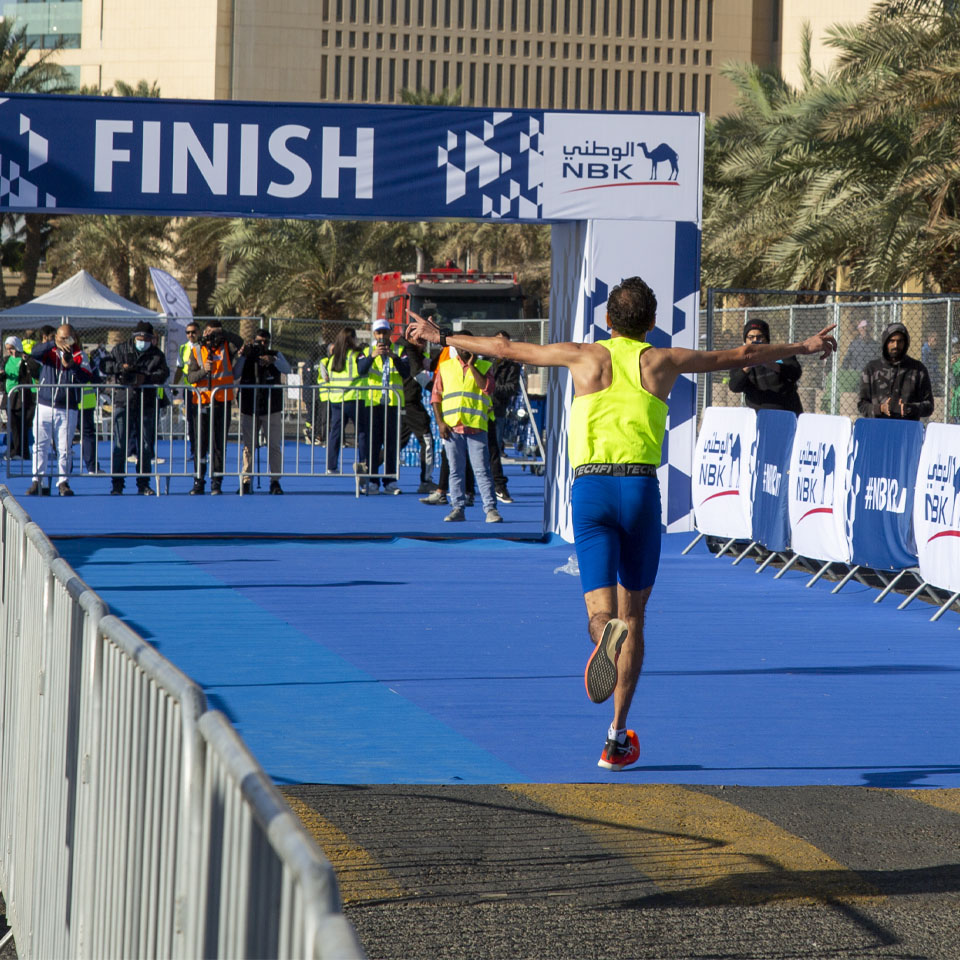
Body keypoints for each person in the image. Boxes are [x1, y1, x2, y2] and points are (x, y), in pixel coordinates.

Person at [406, 276, 837, 770]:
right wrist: (804, 344)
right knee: (635, 619)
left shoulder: (584, 356)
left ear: (607, 321)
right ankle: (616, 737)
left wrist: (443, 338)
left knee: (602, 615)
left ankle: (601, 634)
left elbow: (508, 348)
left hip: (591, 492)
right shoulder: (662, 360)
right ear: (652, 323)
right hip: (638, 490)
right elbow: (738, 357)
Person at [429, 331, 502, 523]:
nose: (464, 348)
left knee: (482, 470)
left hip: (476, 427)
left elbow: (487, 388)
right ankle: (458, 508)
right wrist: (440, 422)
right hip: (453, 428)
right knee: (455, 470)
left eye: (468, 344)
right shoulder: (445, 368)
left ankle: (490, 509)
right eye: (460, 344)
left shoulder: (485, 366)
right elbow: (436, 397)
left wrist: (472, 366)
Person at [100, 320, 170, 495]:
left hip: (146, 403)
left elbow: (163, 374)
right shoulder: (121, 349)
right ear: (134, 337)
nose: (142, 341)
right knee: (120, 444)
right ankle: (117, 484)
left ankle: (143, 484)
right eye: (140, 338)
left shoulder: (156, 354)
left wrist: (144, 378)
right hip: (123, 401)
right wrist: (121, 368)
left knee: (146, 446)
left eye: (146, 338)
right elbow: (104, 365)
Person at [27, 323, 92, 496]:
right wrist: (52, 344)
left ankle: (63, 482)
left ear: (74, 337)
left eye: (68, 338)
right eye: (61, 338)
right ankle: (37, 480)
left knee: (64, 447)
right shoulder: (49, 352)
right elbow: (34, 353)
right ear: (56, 337)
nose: (65, 342)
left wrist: (72, 366)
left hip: (67, 407)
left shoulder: (79, 355)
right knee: (39, 445)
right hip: (44, 404)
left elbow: (86, 376)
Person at [186, 320, 243, 495]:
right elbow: (190, 377)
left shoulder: (226, 347)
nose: (211, 336)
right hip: (201, 402)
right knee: (200, 444)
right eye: (209, 332)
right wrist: (204, 370)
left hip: (222, 401)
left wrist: (223, 332)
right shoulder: (196, 350)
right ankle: (199, 480)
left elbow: (240, 343)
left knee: (218, 444)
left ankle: (216, 481)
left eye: (214, 333)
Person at [235, 327, 290, 495]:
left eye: (265, 342)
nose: (262, 345)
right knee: (248, 445)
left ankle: (275, 481)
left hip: (271, 406)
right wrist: (243, 355)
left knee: (273, 445)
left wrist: (272, 359)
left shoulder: (275, 354)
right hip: (249, 406)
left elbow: (287, 369)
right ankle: (246, 480)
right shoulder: (247, 355)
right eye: (259, 342)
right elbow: (236, 372)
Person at [362, 319, 409, 495]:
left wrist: (394, 357)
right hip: (373, 404)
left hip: (392, 404)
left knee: (391, 444)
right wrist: (372, 356)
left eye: (385, 332)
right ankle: (372, 481)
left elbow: (406, 372)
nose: (382, 336)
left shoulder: (399, 351)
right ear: (374, 335)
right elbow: (361, 370)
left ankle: (390, 481)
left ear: (390, 333)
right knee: (373, 444)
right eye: (378, 333)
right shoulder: (367, 351)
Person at [857, 322, 934, 421]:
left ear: (906, 342)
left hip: (907, 430)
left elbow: (929, 406)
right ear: (885, 342)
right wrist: (880, 409)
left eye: (900, 341)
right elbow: (862, 405)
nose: (895, 345)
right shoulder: (871, 369)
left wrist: (910, 408)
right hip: (878, 428)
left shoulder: (918, 370)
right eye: (892, 341)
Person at [727, 319, 803, 414]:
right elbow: (734, 387)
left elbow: (795, 373)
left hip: (786, 411)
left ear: (767, 339)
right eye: (751, 337)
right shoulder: (740, 361)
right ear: (745, 341)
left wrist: (770, 363)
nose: (755, 340)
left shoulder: (781, 353)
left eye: (759, 337)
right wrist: (748, 366)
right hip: (757, 413)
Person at [323, 327, 369, 473]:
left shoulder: (334, 357)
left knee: (335, 432)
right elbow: (362, 370)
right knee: (362, 433)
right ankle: (363, 464)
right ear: (353, 339)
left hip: (336, 399)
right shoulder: (356, 355)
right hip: (354, 398)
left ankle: (331, 466)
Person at [396, 335, 436, 493]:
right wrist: (435, 390)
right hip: (410, 402)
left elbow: (429, 365)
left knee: (398, 443)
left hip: (404, 400)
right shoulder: (409, 351)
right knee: (427, 440)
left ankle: (368, 467)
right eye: (418, 339)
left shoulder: (412, 352)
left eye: (424, 340)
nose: (422, 343)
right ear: (409, 338)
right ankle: (426, 481)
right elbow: (417, 374)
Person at [489, 330, 522, 502]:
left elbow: (511, 388)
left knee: (494, 450)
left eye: (504, 342)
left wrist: (491, 388)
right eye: (497, 341)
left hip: (497, 411)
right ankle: (464, 489)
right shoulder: (485, 360)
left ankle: (499, 487)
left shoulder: (512, 366)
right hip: (478, 410)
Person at [172, 322, 201, 472]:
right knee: (191, 420)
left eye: (193, 332)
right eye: (188, 332)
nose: (191, 335)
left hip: (204, 391)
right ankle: (194, 450)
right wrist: (174, 385)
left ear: (199, 332)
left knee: (204, 421)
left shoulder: (204, 347)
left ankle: (205, 450)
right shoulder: (183, 348)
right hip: (190, 391)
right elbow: (179, 368)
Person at [3, 336, 34, 460]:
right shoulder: (6, 360)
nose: (10, 351)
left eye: (12, 348)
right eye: (7, 349)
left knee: (21, 425)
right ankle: (16, 450)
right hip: (9, 394)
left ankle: (21, 452)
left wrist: (25, 360)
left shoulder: (24, 359)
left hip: (21, 395)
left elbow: (29, 374)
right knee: (13, 424)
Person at [921, 329, 943, 395]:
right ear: (929, 339)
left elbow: (936, 366)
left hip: (934, 379)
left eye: (937, 340)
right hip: (928, 378)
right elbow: (925, 364)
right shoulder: (925, 350)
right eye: (935, 339)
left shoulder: (934, 350)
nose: (936, 342)